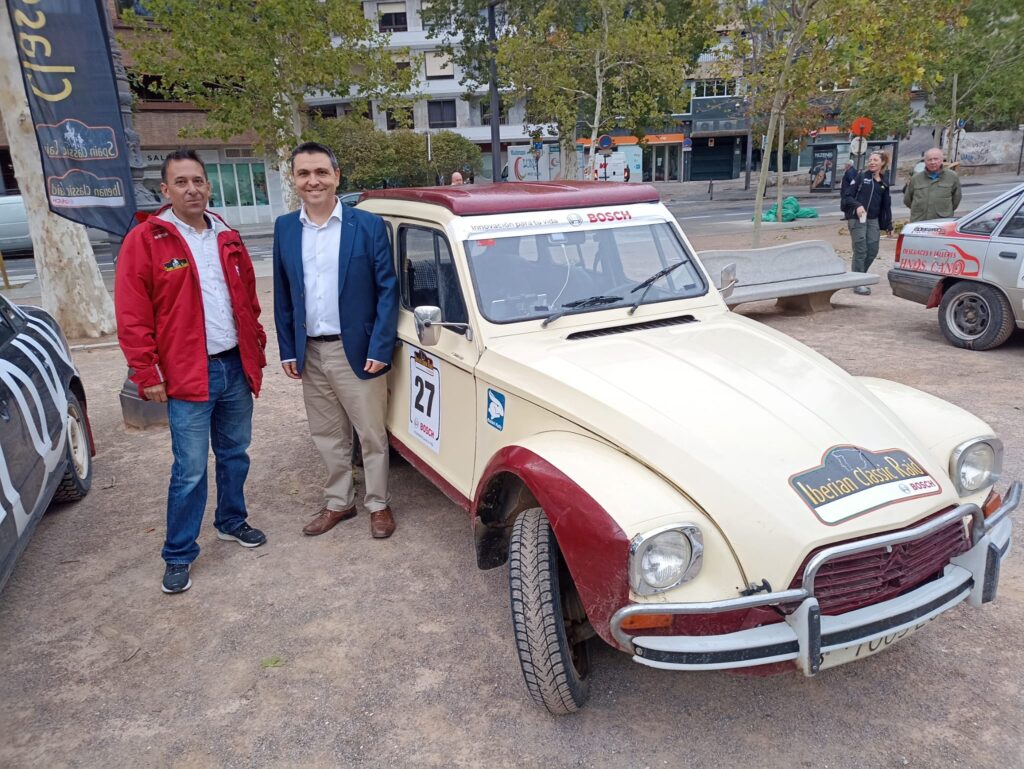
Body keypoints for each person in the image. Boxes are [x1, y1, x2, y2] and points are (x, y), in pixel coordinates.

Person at [115, 149, 268, 595]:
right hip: (188, 374)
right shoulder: (147, 240)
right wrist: (147, 372)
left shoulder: (225, 235)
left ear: (208, 185)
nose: (192, 188)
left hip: (233, 367)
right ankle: (179, 553)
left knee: (236, 453)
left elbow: (248, 302)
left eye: (198, 180)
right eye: (181, 182)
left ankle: (231, 520)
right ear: (165, 190)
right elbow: (132, 315)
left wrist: (255, 345)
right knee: (190, 469)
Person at [273, 142, 399, 539]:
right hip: (310, 350)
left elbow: (387, 290)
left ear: (336, 176)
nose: (313, 181)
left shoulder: (367, 226)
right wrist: (288, 349)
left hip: (359, 352)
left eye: (321, 173)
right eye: (304, 174)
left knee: (371, 435)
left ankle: (378, 504)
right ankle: (339, 503)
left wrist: (380, 347)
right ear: (294, 180)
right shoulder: (286, 228)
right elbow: (282, 294)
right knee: (327, 434)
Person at [841, 150, 892, 296]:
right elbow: (847, 196)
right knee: (861, 249)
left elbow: (886, 205)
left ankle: (860, 276)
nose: (872, 162)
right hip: (857, 219)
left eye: (875, 160)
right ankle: (858, 282)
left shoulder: (884, 182)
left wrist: (888, 225)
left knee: (873, 249)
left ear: (882, 163)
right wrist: (857, 205)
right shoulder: (861, 177)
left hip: (873, 220)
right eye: (870, 160)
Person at [903, 147, 962, 222]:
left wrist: (945, 211)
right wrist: (920, 211)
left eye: (936, 159)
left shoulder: (952, 177)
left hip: (942, 222)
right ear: (925, 161)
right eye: (929, 159)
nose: (933, 162)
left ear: (941, 160)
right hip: (920, 221)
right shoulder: (916, 178)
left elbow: (956, 200)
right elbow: (907, 200)